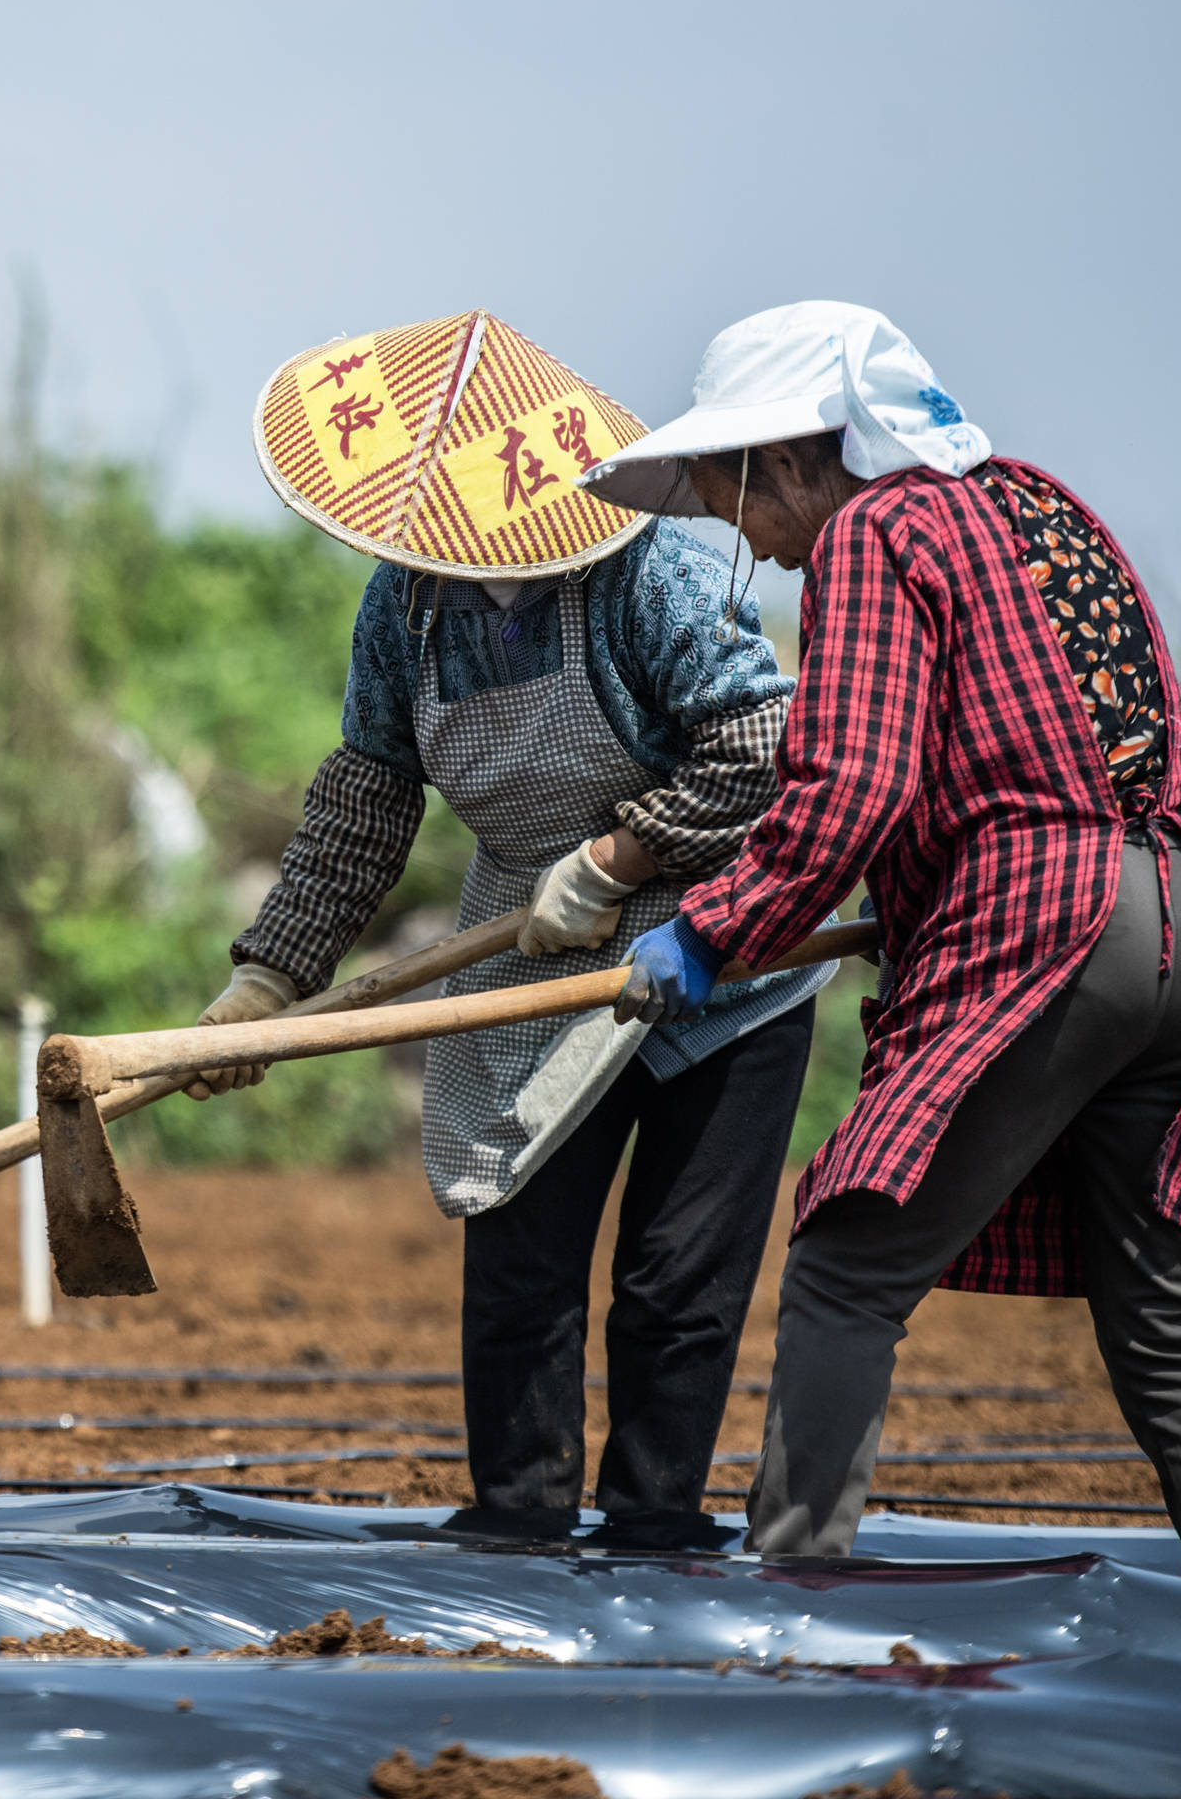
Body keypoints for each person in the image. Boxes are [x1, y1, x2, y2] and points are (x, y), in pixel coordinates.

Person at [580, 301, 1181, 1582]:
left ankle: (792, 1596)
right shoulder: (1039, 503)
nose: (763, 552)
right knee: (1169, 1321)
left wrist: (713, 929)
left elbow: (852, 785)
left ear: (795, 455)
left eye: (744, 508)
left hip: (1048, 916)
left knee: (848, 1265)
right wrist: (916, 906)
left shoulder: (876, 530)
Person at [206, 311, 834, 1547]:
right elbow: (367, 793)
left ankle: (654, 1530)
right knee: (518, 1261)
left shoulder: (654, 573)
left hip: (720, 943)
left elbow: (763, 750)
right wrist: (269, 978)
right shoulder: (406, 609)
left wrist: (616, 858)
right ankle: (518, 1522)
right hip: (533, 943)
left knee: (674, 1282)